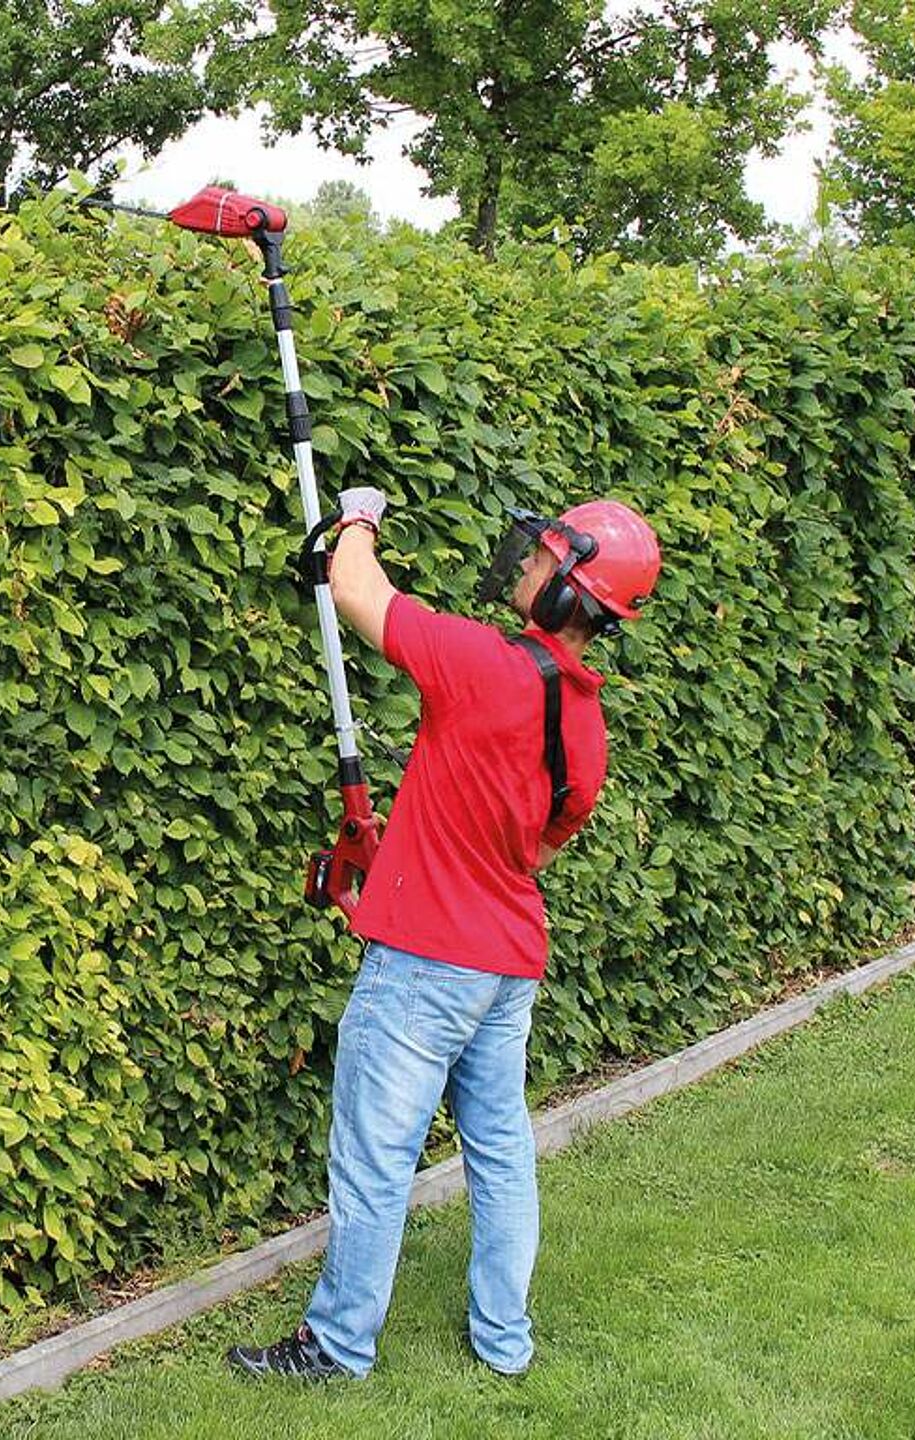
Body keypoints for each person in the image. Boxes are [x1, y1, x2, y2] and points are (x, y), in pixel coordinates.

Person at [226, 486, 662, 1382]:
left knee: (374, 1157)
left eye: (546, 557)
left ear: (572, 591)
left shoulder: (481, 662)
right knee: (500, 1149)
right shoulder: (583, 723)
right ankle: (505, 1338)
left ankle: (338, 1346)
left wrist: (358, 516)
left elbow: (357, 592)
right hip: (505, 968)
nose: (529, 561)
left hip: (428, 967)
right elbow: (533, 848)